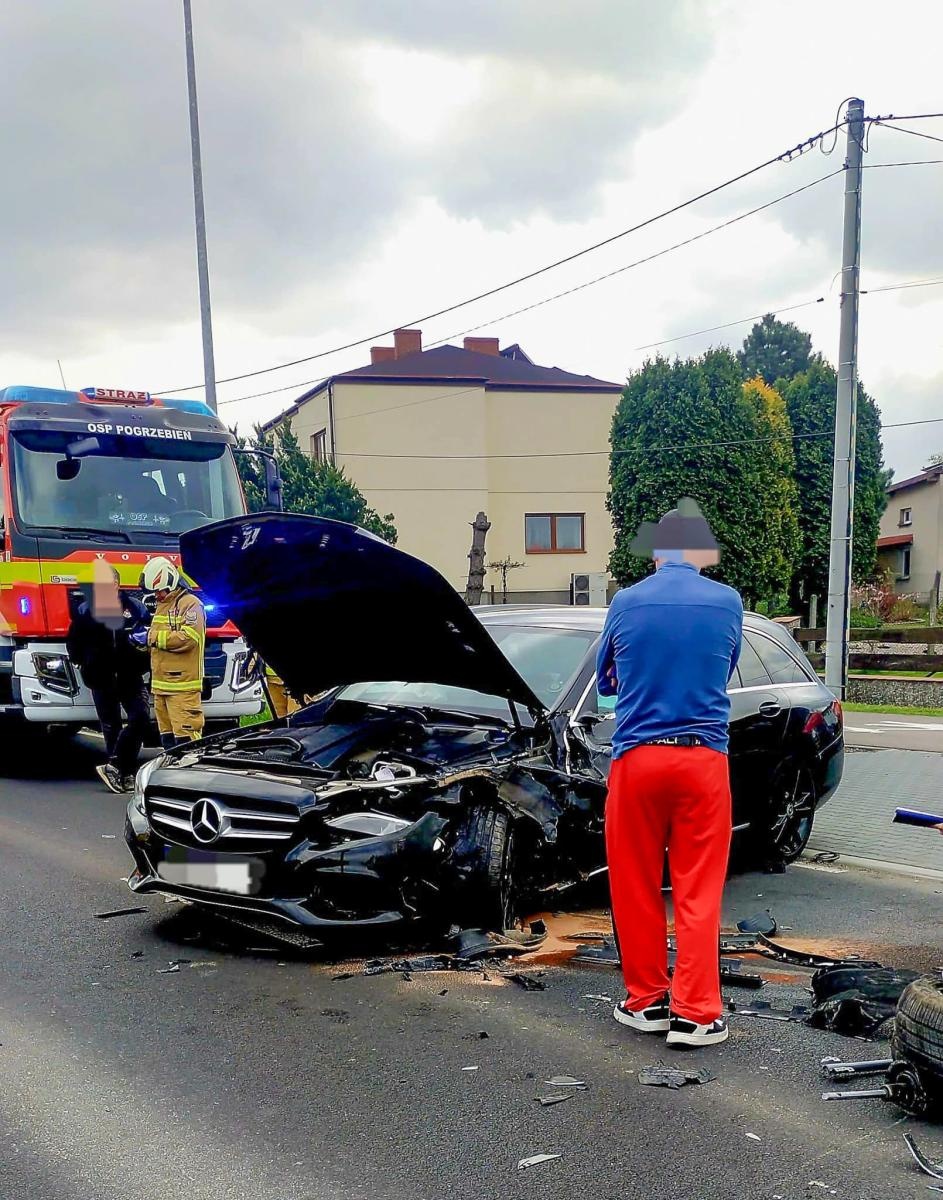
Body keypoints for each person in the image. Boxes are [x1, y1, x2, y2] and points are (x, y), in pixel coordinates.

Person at [596, 498, 742, 1048]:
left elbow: (606, 680)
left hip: (637, 759)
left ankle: (647, 1002)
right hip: (703, 760)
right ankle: (697, 1014)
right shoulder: (728, 602)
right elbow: (724, 669)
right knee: (697, 889)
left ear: (657, 554)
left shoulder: (625, 602)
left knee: (634, 884)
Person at [66, 563, 151, 793]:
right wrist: (81, 661)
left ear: (115, 584)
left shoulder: (135, 608)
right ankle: (122, 775)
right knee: (111, 724)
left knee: (140, 717)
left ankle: (119, 765)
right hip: (99, 676)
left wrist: (143, 663)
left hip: (129, 675)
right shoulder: (86, 610)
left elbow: (146, 639)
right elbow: (74, 640)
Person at [141, 556, 206, 749]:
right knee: (168, 741)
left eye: (159, 591)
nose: (157, 596)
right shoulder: (163, 606)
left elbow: (188, 639)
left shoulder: (190, 604)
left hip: (182, 688)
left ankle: (190, 779)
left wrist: (151, 637)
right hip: (161, 687)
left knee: (187, 742)